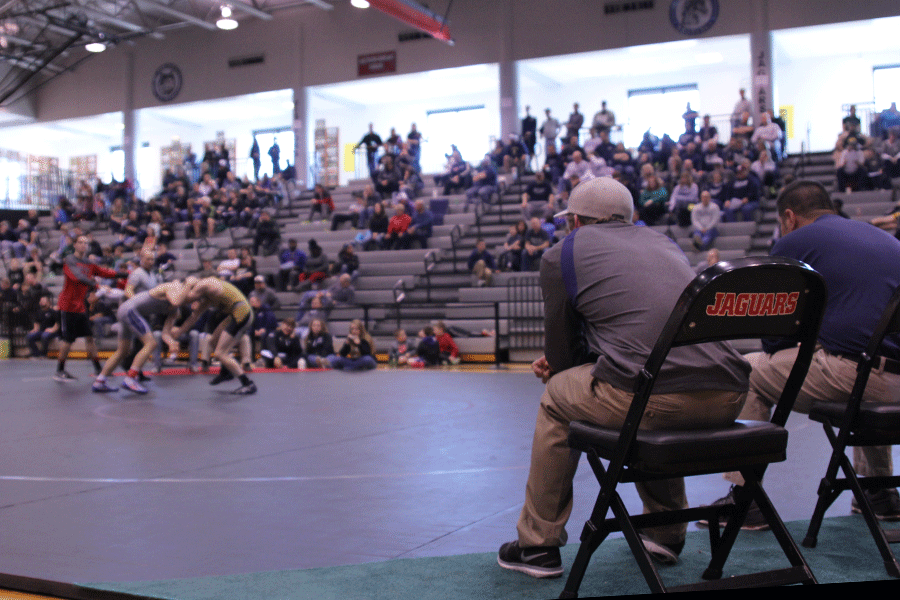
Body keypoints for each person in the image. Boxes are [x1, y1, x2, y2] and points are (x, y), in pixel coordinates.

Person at [497, 177, 750, 578]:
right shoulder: (665, 243)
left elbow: (563, 357)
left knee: (560, 395)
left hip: (656, 398)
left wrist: (559, 366)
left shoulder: (563, 253)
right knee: (650, 381)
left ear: (575, 221)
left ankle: (537, 544)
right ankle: (666, 532)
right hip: (729, 393)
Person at [699, 180, 900, 528]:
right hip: (892, 375)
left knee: (744, 369)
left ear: (789, 217)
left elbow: (776, 332)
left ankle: (747, 500)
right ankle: (878, 491)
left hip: (862, 378)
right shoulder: (878, 237)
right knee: (864, 359)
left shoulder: (795, 242)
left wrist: (783, 346)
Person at [92, 279, 193, 394]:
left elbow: (165, 333)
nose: (193, 300)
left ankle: (100, 381)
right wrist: (189, 284)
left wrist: (171, 343)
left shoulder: (175, 310)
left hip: (126, 311)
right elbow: (176, 301)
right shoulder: (174, 286)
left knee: (123, 350)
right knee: (151, 343)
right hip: (129, 310)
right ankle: (130, 379)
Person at [54, 235, 125, 381]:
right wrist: (97, 285)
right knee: (68, 340)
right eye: (80, 242)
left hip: (81, 306)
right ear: (75, 245)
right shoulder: (70, 260)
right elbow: (78, 277)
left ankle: (99, 369)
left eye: (85, 243)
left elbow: (105, 272)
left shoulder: (88, 263)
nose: (83, 245)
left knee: (90, 338)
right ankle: (59, 370)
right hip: (68, 306)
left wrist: (126, 273)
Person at [173, 277, 257, 395]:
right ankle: (226, 372)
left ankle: (248, 384)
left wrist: (180, 286)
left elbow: (182, 300)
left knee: (220, 353)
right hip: (235, 314)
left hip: (242, 313)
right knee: (212, 342)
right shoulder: (208, 297)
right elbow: (194, 317)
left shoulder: (206, 283)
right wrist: (179, 332)